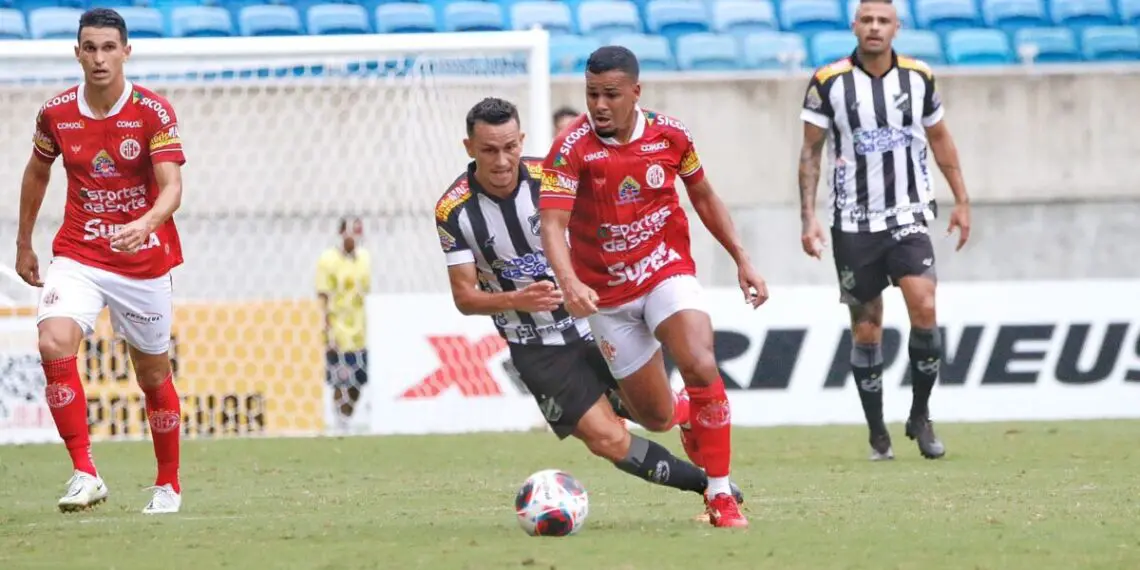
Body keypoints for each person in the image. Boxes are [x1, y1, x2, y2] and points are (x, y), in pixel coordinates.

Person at [436, 97, 743, 516]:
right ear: (469, 148)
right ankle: (707, 487)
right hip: (536, 346)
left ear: (522, 140)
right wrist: (516, 299)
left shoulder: (555, 175)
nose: (503, 160)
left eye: (510, 146)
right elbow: (465, 297)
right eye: (489, 150)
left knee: (656, 414)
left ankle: (685, 412)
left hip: (592, 321)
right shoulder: (453, 210)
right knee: (606, 440)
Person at [538, 47, 767, 528]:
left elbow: (702, 195)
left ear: (635, 94)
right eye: (591, 94)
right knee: (657, 415)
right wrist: (571, 282)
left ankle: (721, 496)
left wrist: (742, 259)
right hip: (607, 299)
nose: (599, 105)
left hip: (665, 269)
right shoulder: (570, 147)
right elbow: (552, 224)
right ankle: (686, 412)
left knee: (701, 362)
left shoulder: (671, 134)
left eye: (611, 95)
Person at [15, 8, 187, 514]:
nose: (99, 58)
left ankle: (167, 484)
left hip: (143, 261)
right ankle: (84, 472)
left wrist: (147, 222)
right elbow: (37, 173)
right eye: (89, 48)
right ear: (77, 53)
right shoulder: (56, 113)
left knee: (153, 376)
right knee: (52, 340)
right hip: (79, 253)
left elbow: (172, 187)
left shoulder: (153, 112)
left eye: (109, 47)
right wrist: (24, 242)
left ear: (126, 52)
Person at [797, 0, 971, 461]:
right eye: (867, 20)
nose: (874, 28)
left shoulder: (919, 77)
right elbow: (811, 152)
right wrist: (807, 217)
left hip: (909, 216)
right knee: (867, 330)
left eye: (883, 21)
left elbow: (939, 137)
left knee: (925, 307)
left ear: (897, 27)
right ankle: (877, 431)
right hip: (853, 224)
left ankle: (920, 414)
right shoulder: (828, 81)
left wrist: (962, 199)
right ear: (854, 25)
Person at [316, 216, 372, 434]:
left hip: (359, 331)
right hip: (338, 331)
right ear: (341, 233)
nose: (354, 236)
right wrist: (327, 329)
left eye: (357, 232)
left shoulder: (364, 258)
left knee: (358, 381)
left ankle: (346, 418)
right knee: (340, 380)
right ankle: (339, 421)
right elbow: (323, 296)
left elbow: (365, 293)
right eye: (350, 231)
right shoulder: (328, 260)